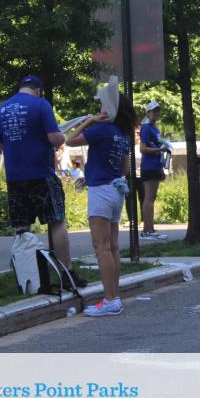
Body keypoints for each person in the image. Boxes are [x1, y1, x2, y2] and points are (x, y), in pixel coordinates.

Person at [0, 75, 86, 287]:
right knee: (57, 221)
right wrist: (60, 138)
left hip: (15, 177)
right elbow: (55, 138)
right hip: (41, 174)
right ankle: (67, 273)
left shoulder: (2, 108)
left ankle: (26, 277)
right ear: (38, 90)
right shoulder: (40, 104)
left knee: (21, 226)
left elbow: (0, 141)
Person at [65, 82, 138, 317]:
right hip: (115, 190)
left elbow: (69, 140)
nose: (100, 109)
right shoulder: (122, 134)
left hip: (101, 191)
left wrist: (89, 121)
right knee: (113, 247)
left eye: (102, 105)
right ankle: (114, 296)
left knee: (101, 247)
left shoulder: (102, 129)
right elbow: (125, 168)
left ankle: (110, 300)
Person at [138, 101, 169, 241]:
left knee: (151, 198)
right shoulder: (145, 127)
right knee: (149, 198)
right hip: (149, 166)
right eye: (154, 111)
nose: (157, 113)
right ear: (148, 113)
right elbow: (142, 148)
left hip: (156, 165)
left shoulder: (154, 127)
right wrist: (159, 149)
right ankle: (147, 230)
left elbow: (158, 145)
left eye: (158, 111)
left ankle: (150, 229)